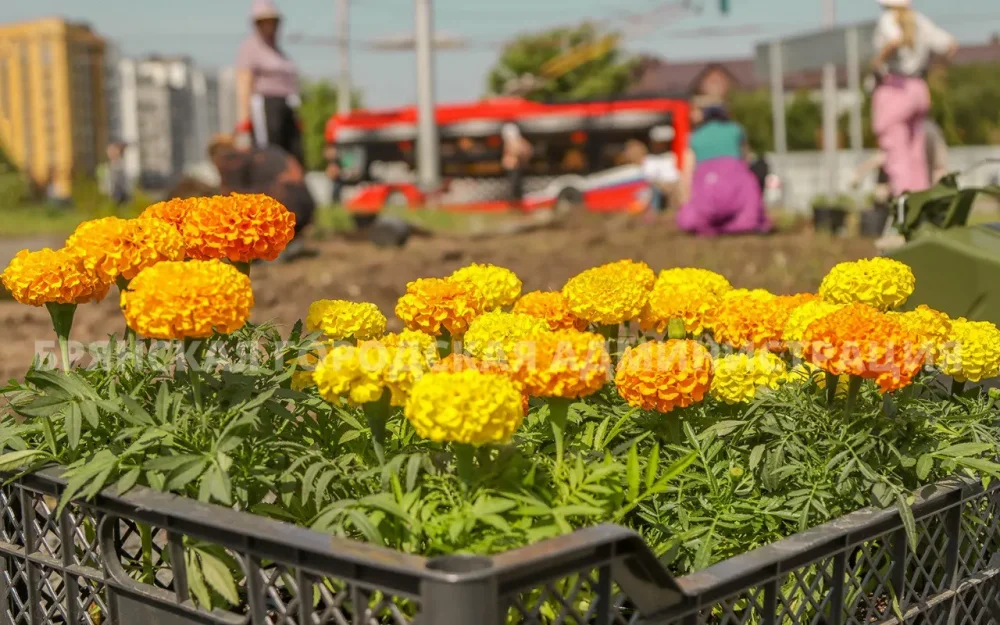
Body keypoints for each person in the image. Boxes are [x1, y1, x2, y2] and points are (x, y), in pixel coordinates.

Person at [871, 0, 957, 196]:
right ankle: (921, 204)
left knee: (896, 154)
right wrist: (933, 67)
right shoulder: (921, 21)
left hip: (895, 88)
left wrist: (877, 62)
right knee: (916, 154)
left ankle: (905, 204)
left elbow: (894, 41)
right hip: (918, 88)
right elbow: (950, 46)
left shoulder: (887, 19)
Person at [208, 134, 315, 262]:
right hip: (304, 204)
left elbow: (229, 194)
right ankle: (282, 247)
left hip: (285, 205)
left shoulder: (230, 160)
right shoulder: (262, 151)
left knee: (234, 209)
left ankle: (268, 252)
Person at [675, 104, 771, 236]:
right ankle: (735, 225)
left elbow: (686, 174)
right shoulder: (736, 130)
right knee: (750, 213)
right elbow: (746, 160)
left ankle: (713, 227)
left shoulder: (695, 137)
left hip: (707, 196)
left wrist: (685, 203)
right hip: (739, 197)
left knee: (689, 219)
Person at [236, 0, 304, 166]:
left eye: (274, 22)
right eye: (266, 22)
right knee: (269, 155)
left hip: (286, 106)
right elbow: (244, 85)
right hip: (266, 106)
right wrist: (244, 121)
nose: (271, 26)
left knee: (293, 156)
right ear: (257, 24)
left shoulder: (278, 51)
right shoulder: (250, 48)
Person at [501, 123, 532, 206]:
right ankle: (514, 203)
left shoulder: (517, 141)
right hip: (513, 167)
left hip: (516, 167)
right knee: (513, 186)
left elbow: (524, 151)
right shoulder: (513, 141)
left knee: (516, 186)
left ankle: (517, 203)